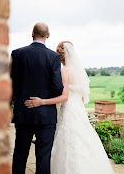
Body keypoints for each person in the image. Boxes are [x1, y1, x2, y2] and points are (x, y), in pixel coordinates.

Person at [24, 41, 115, 174]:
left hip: (68, 110)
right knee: (84, 139)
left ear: (59, 55)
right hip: (78, 111)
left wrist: (42, 102)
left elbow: (65, 97)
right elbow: (83, 98)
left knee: (68, 140)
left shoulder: (64, 71)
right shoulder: (79, 72)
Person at [11, 22, 65, 174]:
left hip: (24, 113)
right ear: (48, 35)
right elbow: (58, 87)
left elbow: (11, 84)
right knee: (43, 157)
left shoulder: (17, 54)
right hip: (46, 115)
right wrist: (45, 99)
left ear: (32, 33)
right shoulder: (53, 57)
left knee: (20, 155)